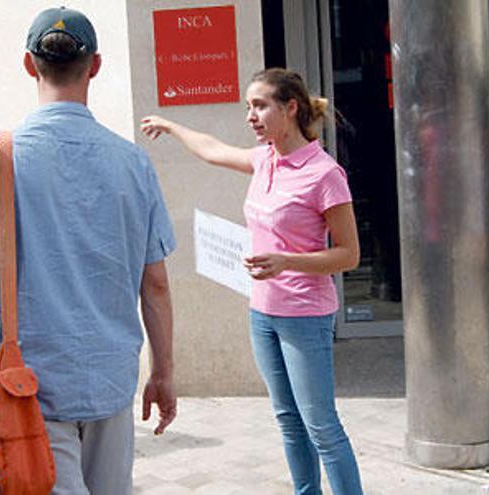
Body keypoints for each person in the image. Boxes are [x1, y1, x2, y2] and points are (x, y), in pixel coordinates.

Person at [0, 7, 177, 494]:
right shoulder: (134, 163)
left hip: (27, 386)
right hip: (111, 378)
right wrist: (162, 373)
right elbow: (154, 283)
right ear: (95, 66)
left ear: (29, 64)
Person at [141, 68, 363, 495]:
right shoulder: (264, 160)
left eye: (260, 106)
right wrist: (170, 126)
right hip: (262, 313)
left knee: (321, 426)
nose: (250, 116)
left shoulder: (324, 173)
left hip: (305, 315)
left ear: (290, 108)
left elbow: (349, 255)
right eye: (248, 106)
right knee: (288, 420)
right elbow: (212, 150)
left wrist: (286, 262)